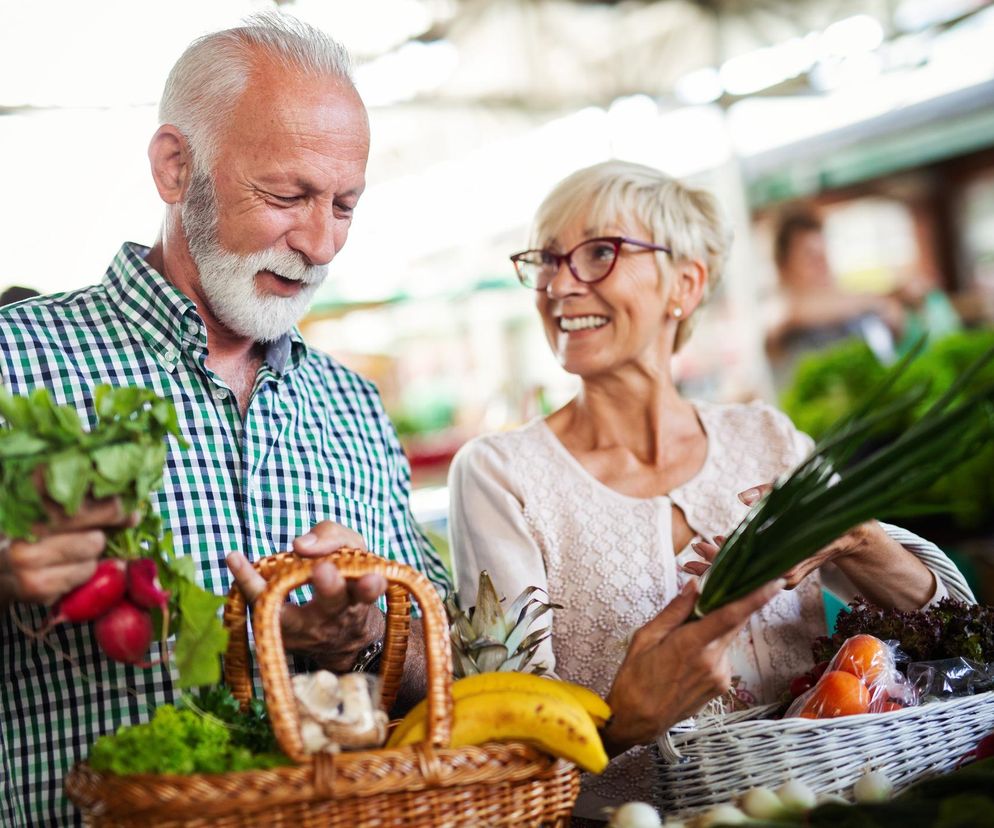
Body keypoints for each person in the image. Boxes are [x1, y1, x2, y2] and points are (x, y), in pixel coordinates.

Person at [0, 14, 449, 826]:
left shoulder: (352, 405)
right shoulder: (14, 362)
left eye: (344, 205)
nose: (319, 244)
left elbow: (445, 661)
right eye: (287, 196)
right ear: (176, 167)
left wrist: (369, 635)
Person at [447, 161, 974, 822]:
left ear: (685, 283)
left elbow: (958, 631)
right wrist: (622, 723)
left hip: (833, 810)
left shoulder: (768, 441)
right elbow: (505, 739)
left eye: (599, 253)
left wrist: (859, 540)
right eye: (546, 260)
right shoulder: (501, 474)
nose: (558, 285)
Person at [765, 209, 906, 388]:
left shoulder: (846, 309)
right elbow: (794, 313)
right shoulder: (778, 312)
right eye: (810, 257)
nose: (823, 264)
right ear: (783, 266)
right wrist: (878, 302)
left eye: (824, 254)